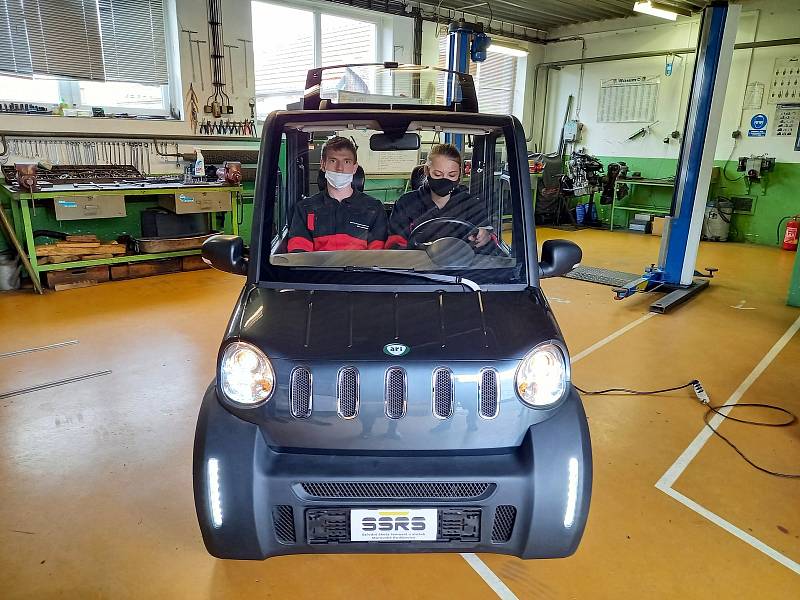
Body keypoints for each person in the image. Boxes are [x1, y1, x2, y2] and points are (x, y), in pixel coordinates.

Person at [288, 136, 388, 252]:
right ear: (323, 165)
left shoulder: (374, 208)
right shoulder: (304, 208)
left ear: (354, 168)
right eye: (333, 161)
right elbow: (299, 254)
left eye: (346, 161)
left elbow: (378, 256)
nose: (340, 168)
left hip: (360, 269)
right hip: (317, 270)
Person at [386, 143, 494, 250]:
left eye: (452, 175)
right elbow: (395, 245)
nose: (445, 179)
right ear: (427, 171)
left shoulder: (470, 204)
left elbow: (488, 236)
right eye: (437, 174)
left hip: (461, 265)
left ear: (459, 174)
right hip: (417, 265)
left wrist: (485, 236)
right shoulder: (406, 203)